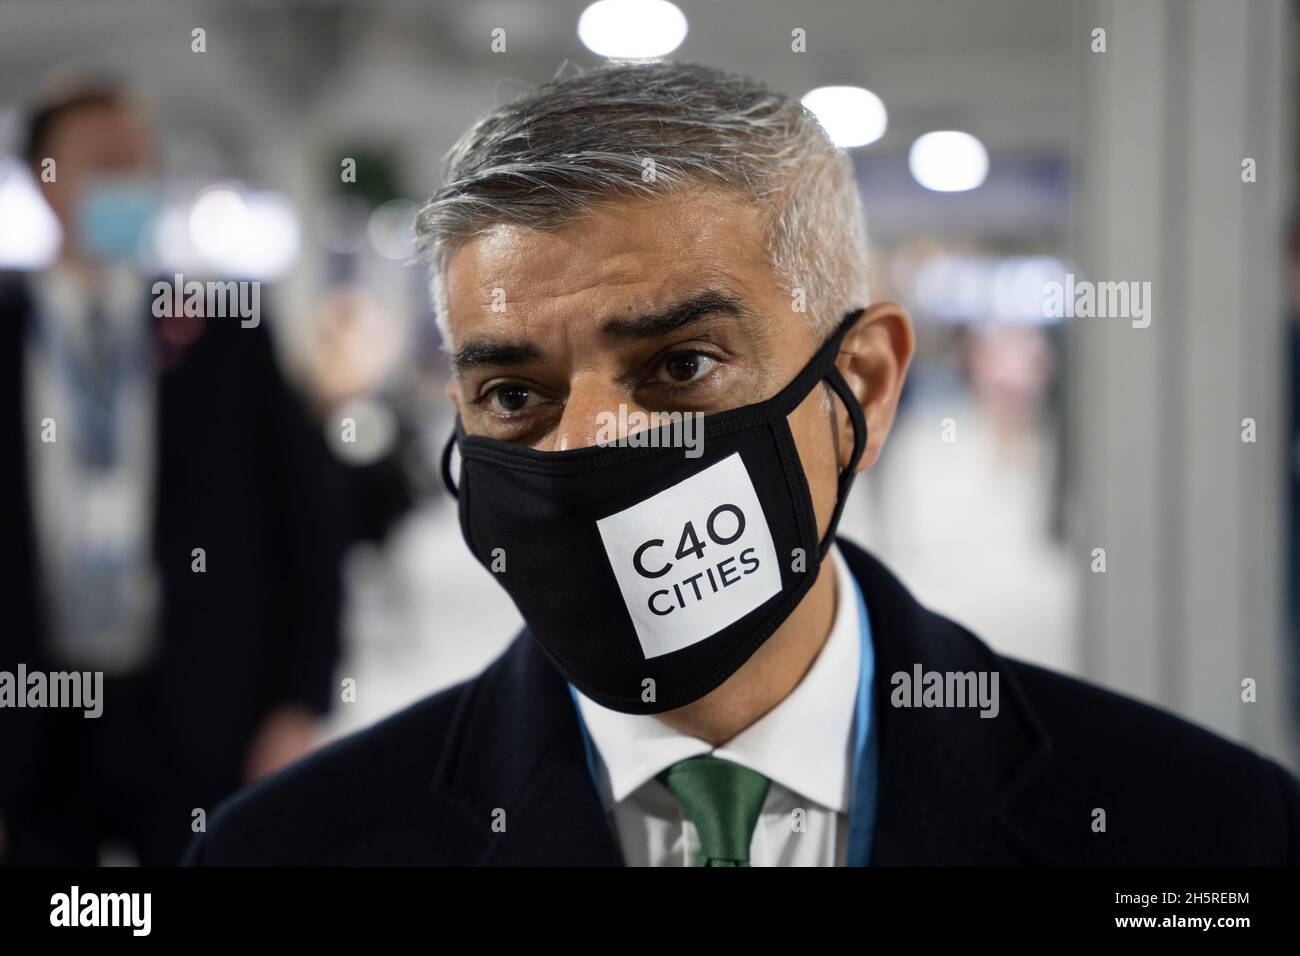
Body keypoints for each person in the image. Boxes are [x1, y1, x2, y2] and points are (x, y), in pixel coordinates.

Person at [184, 61, 1298, 866]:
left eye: (679, 366)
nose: (588, 445)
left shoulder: (1207, 832)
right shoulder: (286, 850)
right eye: (514, 394)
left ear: (860, 380)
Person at [0, 80, 345, 864]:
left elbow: (308, 520)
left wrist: (299, 702)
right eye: (105, 162)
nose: (131, 182)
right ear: (44, 181)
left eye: (141, 162)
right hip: (29, 716)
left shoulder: (223, 330)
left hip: (199, 704)